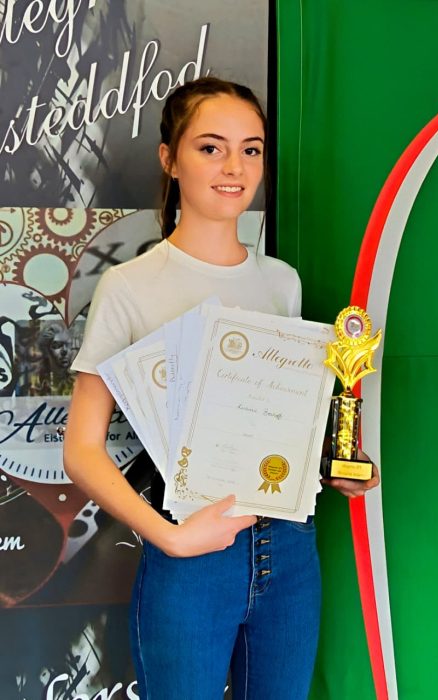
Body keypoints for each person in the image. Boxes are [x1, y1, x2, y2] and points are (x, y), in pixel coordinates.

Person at [64, 77, 380, 700]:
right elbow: (81, 449)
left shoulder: (282, 282)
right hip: (190, 553)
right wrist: (172, 538)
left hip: (289, 551)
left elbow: (275, 420)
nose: (234, 167)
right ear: (170, 159)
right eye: (211, 147)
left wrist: (335, 459)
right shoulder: (130, 286)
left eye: (251, 149)